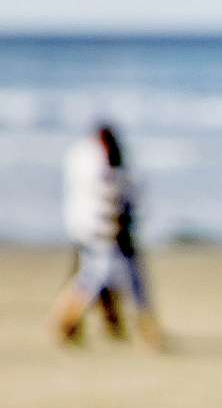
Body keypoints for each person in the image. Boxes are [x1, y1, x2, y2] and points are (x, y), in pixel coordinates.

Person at [51, 123, 163, 351]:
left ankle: (144, 331)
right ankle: (66, 325)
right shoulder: (106, 177)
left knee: (98, 284)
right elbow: (115, 210)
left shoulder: (111, 175)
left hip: (103, 240)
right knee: (95, 285)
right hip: (105, 241)